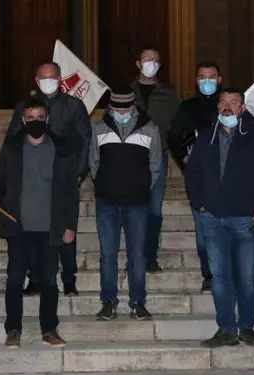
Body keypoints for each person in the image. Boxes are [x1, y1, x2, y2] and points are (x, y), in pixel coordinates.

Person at [185, 89, 254, 348]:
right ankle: (226, 329)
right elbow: (192, 173)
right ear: (218, 107)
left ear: (242, 109)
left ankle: (247, 327)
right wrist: (200, 204)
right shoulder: (205, 137)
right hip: (212, 218)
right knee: (219, 277)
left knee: (247, 277)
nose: (227, 107)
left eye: (234, 103)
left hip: (245, 219)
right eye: (223, 102)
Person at [0, 96, 80, 348]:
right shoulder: (12, 147)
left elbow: (70, 189)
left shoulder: (61, 147)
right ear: (23, 120)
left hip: (50, 227)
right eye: (30, 118)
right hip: (18, 225)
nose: (35, 121)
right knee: (15, 279)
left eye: (40, 117)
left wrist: (70, 225)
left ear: (47, 118)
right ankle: (13, 329)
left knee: (49, 280)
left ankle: (49, 329)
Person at [4, 61, 91, 297]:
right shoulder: (25, 107)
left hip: (64, 176)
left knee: (65, 231)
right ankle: (35, 278)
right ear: (36, 80)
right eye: (43, 77)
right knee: (34, 231)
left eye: (52, 76)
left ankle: (69, 278)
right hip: (34, 177)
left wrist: (80, 172)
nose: (48, 80)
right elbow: (12, 139)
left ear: (60, 78)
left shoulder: (73, 106)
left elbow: (85, 140)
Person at [90, 88, 161, 321]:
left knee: (138, 255)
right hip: (107, 202)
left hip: (137, 203)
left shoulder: (150, 129)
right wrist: (105, 185)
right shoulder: (98, 128)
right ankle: (108, 302)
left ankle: (138, 302)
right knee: (107, 255)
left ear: (133, 107)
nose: (121, 112)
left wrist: (140, 186)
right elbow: (94, 162)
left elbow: (155, 165)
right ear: (110, 106)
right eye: (116, 108)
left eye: (125, 108)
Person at [168, 61, 222, 294]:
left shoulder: (230, 104)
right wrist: (185, 162)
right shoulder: (188, 107)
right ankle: (209, 274)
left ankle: (227, 273)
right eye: (202, 77)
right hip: (200, 180)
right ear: (196, 80)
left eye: (211, 77)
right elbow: (173, 136)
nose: (206, 81)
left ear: (219, 79)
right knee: (203, 233)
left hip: (231, 180)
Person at [132, 48, 180, 273]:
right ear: (138, 64)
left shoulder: (169, 93)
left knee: (154, 208)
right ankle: (134, 257)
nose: (151, 63)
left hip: (157, 155)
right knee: (133, 207)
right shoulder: (128, 91)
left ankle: (149, 257)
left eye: (156, 60)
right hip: (130, 157)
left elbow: (175, 124)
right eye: (147, 59)